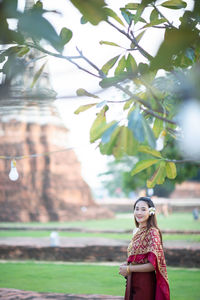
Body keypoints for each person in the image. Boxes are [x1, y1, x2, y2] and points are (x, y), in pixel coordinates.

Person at [119, 197, 170, 300]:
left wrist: (129, 268)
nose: (139, 212)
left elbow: (153, 265)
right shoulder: (137, 231)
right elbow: (138, 258)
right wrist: (128, 264)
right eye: (136, 209)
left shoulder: (152, 232)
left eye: (143, 209)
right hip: (132, 279)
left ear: (150, 212)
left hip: (145, 282)